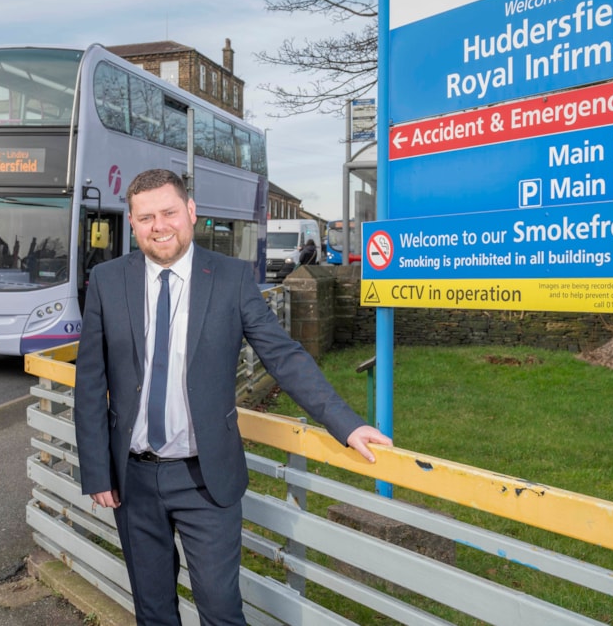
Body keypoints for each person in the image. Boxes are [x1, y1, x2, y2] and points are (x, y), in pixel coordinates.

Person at [74, 169, 392, 625]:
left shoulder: (230, 278)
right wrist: (97, 471)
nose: (158, 226)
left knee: (221, 609)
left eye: (168, 212)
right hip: (133, 479)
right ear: (132, 222)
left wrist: (345, 422)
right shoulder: (107, 280)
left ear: (191, 213)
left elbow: (283, 356)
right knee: (152, 608)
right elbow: (89, 382)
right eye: (145, 217)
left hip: (206, 477)